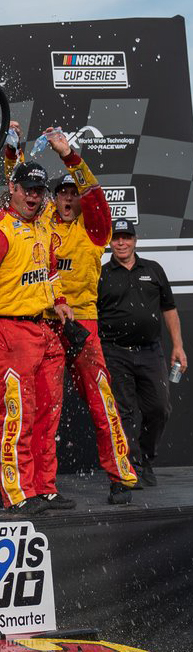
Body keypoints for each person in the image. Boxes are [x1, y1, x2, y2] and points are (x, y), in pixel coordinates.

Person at [0, 160, 73, 516]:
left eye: (39, 191)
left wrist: (60, 301)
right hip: (4, 328)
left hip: (44, 328)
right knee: (19, 411)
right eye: (27, 189)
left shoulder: (42, 224)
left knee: (47, 414)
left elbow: (50, 271)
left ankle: (45, 487)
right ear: (13, 188)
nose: (34, 196)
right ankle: (17, 491)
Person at [42, 132, 138, 504]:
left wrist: (69, 157)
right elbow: (16, 197)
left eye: (73, 193)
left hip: (83, 323)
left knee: (101, 400)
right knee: (45, 407)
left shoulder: (94, 228)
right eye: (61, 193)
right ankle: (43, 487)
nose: (68, 198)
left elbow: (95, 195)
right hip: (45, 322)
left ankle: (120, 476)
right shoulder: (43, 226)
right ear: (54, 198)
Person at [98, 220, 187, 486]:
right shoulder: (101, 273)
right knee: (122, 414)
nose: (121, 243)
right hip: (115, 352)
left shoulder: (154, 270)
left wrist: (178, 346)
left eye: (126, 237)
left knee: (160, 408)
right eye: (116, 238)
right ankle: (132, 465)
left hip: (151, 352)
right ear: (110, 243)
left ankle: (146, 458)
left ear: (135, 241)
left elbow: (169, 309)